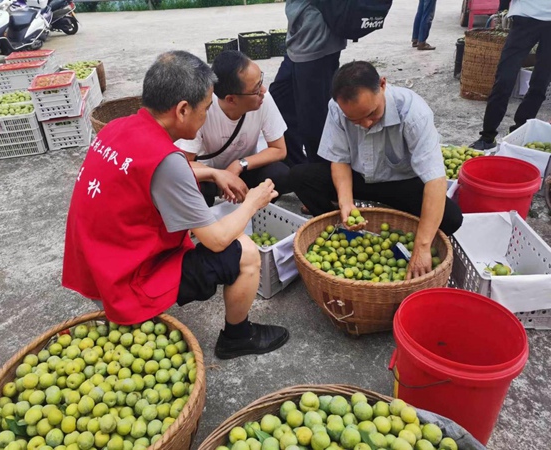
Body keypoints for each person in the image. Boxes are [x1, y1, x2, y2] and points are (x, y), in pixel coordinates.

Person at [62, 51, 289, 360]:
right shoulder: (167, 161)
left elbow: (158, 172)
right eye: (207, 108)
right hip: (125, 281)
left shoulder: (117, 128)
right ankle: (238, 337)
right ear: (182, 110)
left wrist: (211, 171)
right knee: (246, 252)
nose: (208, 116)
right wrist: (252, 202)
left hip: (94, 267)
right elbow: (218, 239)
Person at [290, 61, 463, 280]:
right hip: (359, 177)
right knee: (300, 177)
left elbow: (435, 180)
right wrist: (346, 203)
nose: (365, 124)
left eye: (372, 114)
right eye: (355, 120)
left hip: (401, 182)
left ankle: (409, 228)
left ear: (382, 84)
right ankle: (337, 225)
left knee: (451, 218)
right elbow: (340, 160)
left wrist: (422, 246)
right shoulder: (337, 108)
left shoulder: (413, 112)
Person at [177, 50, 290, 207]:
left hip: (244, 171)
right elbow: (182, 164)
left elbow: (279, 149)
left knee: (279, 174)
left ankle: (255, 213)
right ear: (231, 99)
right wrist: (218, 175)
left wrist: (240, 164)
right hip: (210, 176)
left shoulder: (263, 99)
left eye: (261, 81)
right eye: (256, 88)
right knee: (188, 188)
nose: (263, 90)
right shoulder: (202, 108)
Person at [269, 0, 347, 166]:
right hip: (299, 39)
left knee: (313, 119)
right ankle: (299, 167)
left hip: (316, 39)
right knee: (279, 101)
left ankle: (321, 174)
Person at [470, 0, 551, 150]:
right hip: (525, 17)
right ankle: (487, 136)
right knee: (504, 79)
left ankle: (519, 131)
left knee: (540, 83)